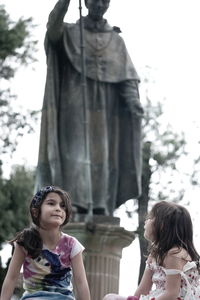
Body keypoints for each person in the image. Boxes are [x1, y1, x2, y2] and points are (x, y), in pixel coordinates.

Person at [35, 0, 144, 216]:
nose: (100, 4)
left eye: (105, 0)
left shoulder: (116, 40)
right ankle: (72, 202)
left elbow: (127, 78)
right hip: (73, 106)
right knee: (75, 154)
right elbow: (53, 30)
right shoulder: (70, 32)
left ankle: (103, 204)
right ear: (85, 2)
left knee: (103, 158)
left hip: (107, 112)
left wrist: (133, 102)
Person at [0, 186, 91, 300]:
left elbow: (81, 282)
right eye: (51, 203)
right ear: (36, 211)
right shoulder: (25, 241)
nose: (58, 208)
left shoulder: (72, 244)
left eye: (63, 206)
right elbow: (11, 278)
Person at [103, 201, 200, 300]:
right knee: (110, 298)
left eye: (150, 218)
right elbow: (143, 290)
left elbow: (172, 294)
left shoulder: (174, 254)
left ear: (162, 225)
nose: (146, 221)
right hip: (158, 297)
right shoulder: (155, 254)